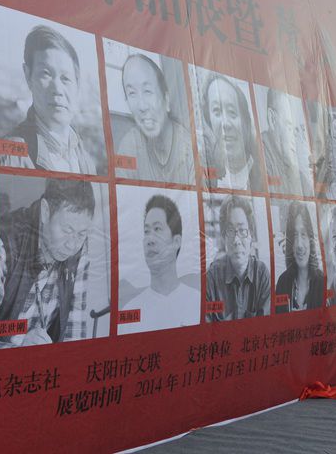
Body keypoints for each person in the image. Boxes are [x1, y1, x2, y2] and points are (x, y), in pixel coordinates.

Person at [0, 179, 97, 346]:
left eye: (81, 234)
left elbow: (74, 334)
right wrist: (16, 348)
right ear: (45, 211)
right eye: (67, 230)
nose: (72, 245)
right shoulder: (5, 243)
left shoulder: (79, 253)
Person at [0, 26, 97, 174]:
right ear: (28, 76)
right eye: (46, 74)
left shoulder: (85, 159)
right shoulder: (11, 156)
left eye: (65, 78)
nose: (57, 89)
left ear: (77, 85)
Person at [119, 195, 199, 333]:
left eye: (157, 229)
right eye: (146, 231)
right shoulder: (130, 310)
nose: (150, 240)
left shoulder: (196, 302)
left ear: (176, 241)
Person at [115, 55, 194, 184]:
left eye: (147, 91)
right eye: (132, 93)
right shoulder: (129, 145)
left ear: (166, 100)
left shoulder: (189, 148)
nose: (142, 106)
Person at [205, 196, 270, 321]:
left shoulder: (261, 274)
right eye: (230, 231)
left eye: (242, 230)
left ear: (251, 235)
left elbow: (266, 325)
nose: (236, 240)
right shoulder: (212, 277)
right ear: (224, 237)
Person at [199, 73, 264, 192]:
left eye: (232, 112)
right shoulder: (206, 177)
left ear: (245, 121)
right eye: (217, 111)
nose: (225, 124)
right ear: (210, 121)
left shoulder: (263, 170)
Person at [260, 89, 312, 196]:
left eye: (298, 131)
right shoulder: (259, 156)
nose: (296, 140)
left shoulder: (294, 167)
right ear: (272, 119)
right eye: (290, 128)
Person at [274, 201, 323, 313]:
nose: (299, 245)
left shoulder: (322, 282)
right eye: (295, 236)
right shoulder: (282, 283)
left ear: (311, 239)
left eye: (303, 234)